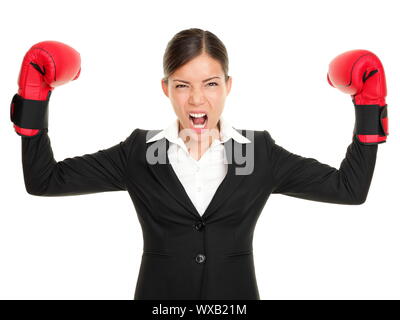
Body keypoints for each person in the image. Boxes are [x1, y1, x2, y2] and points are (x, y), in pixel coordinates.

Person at [10, 28, 388, 300]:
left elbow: (349, 190)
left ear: (228, 85)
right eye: (182, 85)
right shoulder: (139, 151)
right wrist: (33, 100)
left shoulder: (259, 151)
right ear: (165, 88)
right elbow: (44, 180)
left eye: (209, 84)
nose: (196, 100)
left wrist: (369, 108)